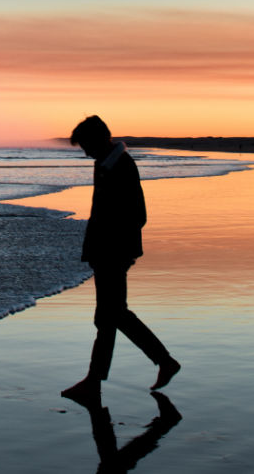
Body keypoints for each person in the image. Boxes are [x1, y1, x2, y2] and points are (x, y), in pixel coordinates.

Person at [62, 115, 180, 399]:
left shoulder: (120, 166)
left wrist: (113, 248)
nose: (86, 152)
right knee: (108, 316)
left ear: (100, 139)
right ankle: (95, 380)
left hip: (114, 252)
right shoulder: (104, 163)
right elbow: (100, 214)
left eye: (87, 145)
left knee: (113, 314)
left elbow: (137, 215)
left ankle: (163, 361)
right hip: (105, 251)